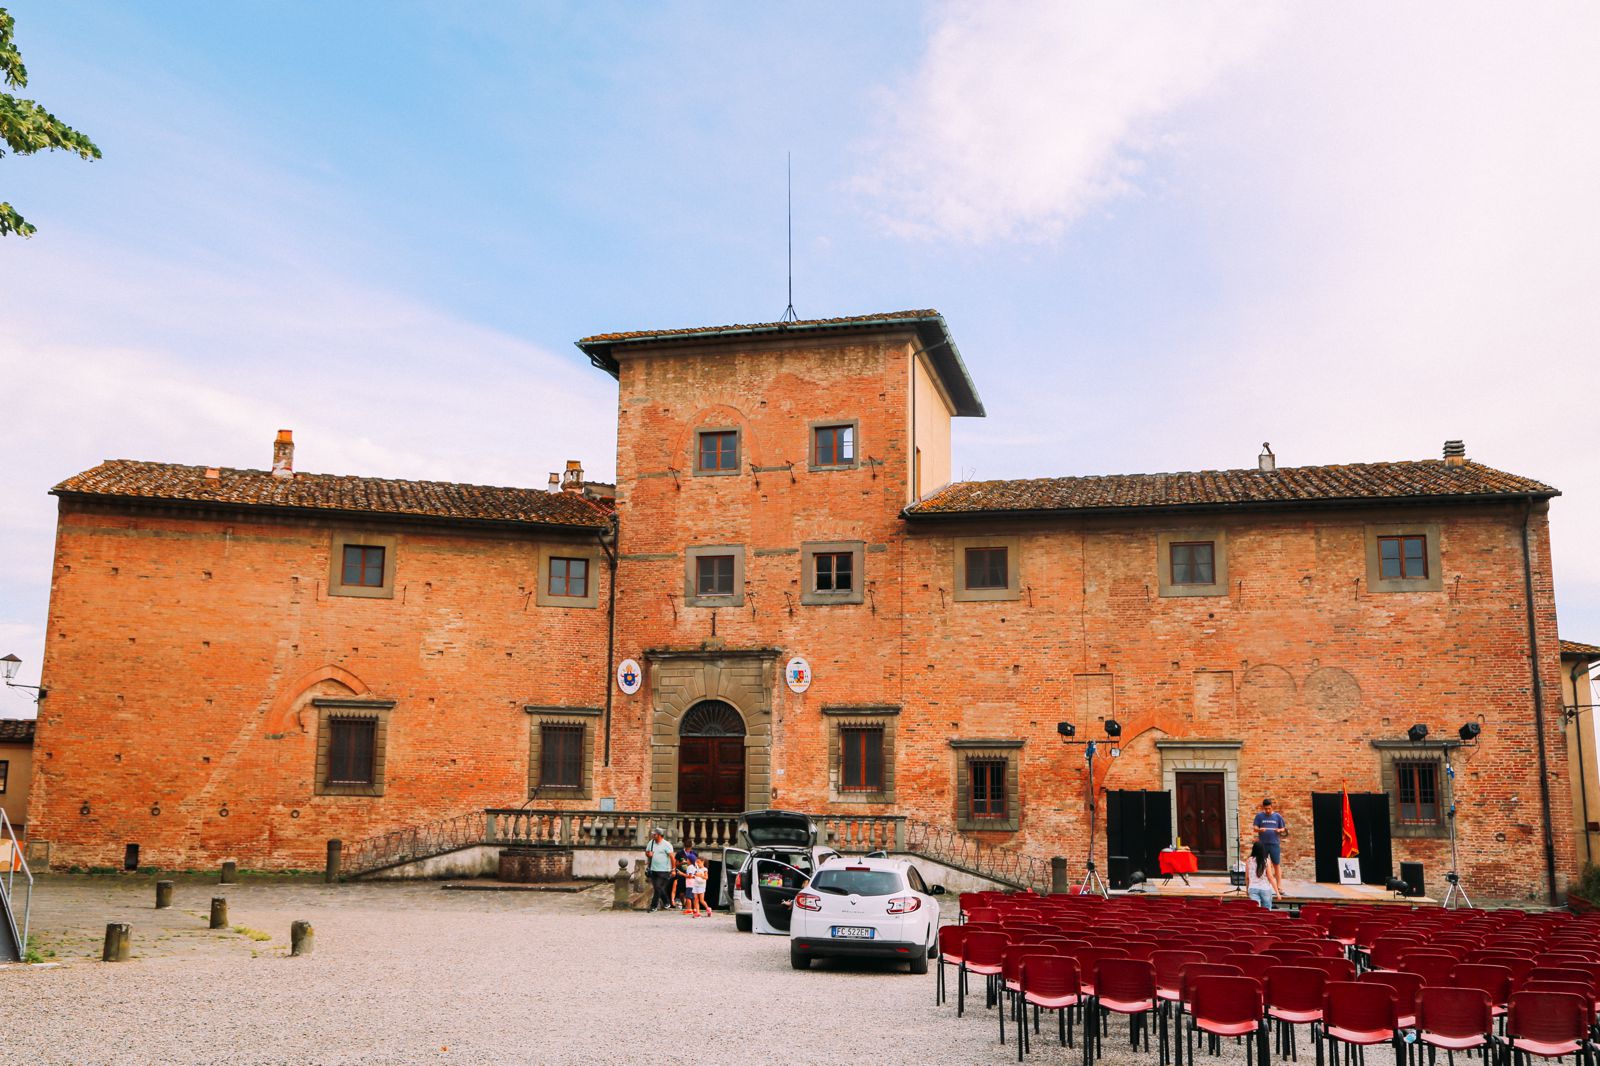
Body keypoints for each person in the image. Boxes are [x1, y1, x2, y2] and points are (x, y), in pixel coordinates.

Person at [1252, 798, 1288, 893]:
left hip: (1274, 843)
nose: (1267, 810)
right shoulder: (1259, 816)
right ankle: (1263, 885)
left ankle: (1279, 886)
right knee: (1262, 864)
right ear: (1263, 808)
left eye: (1269, 808)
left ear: (1272, 807)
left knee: (1276, 864)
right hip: (1263, 845)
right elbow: (1255, 828)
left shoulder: (1277, 816)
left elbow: (1283, 828)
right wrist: (1260, 830)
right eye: (1265, 809)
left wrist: (1279, 830)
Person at [644, 828, 675, 912]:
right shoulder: (651, 843)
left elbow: (672, 858)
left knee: (658, 888)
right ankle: (666, 902)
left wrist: (673, 869)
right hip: (653, 870)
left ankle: (653, 907)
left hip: (664, 870)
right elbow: (647, 852)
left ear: (660, 835)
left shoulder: (667, 845)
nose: (653, 835)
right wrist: (648, 854)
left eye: (655, 834)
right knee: (658, 888)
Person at [1246, 840, 1275, 910]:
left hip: (1252, 888)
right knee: (1267, 911)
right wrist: (1277, 892)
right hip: (1265, 888)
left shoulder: (1249, 860)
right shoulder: (1266, 861)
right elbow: (1270, 877)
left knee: (1255, 910)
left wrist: (1247, 889)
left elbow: (1247, 877)